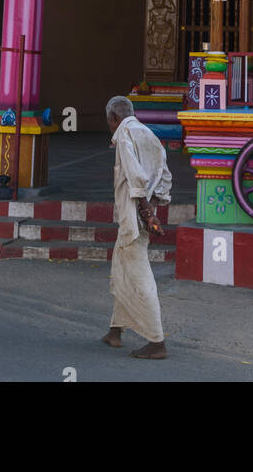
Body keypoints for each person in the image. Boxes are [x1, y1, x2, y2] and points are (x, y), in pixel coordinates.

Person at [103, 95, 172, 359]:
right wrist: (154, 208)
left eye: (109, 120)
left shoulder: (124, 134)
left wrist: (145, 210)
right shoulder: (149, 134)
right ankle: (115, 331)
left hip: (134, 217)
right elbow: (164, 176)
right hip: (142, 215)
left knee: (140, 277)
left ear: (114, 118)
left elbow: (136, 176)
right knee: (122, 271)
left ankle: (157, 342)